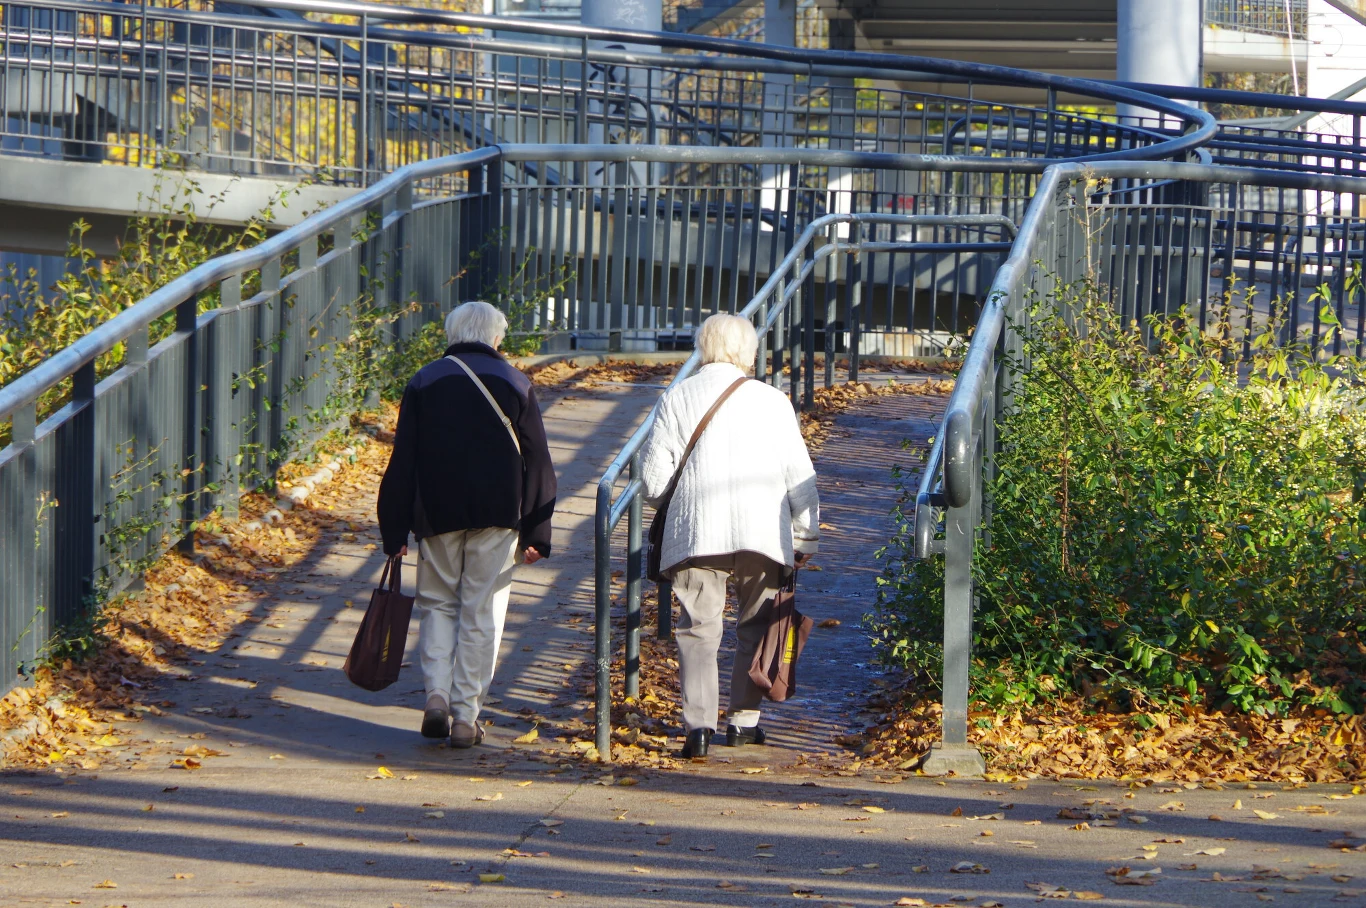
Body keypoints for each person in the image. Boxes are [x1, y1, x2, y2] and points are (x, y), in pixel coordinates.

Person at [377, 301, 557, 749]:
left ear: (451, 334)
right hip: (498, 516)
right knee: (482, 609)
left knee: (437, 604)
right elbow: (538, 461)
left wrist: (394, 528)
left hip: (436, 513)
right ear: (496, 337)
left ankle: (436, 696)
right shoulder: (517, 383)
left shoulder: (425, 381)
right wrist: (538, 531)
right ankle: (465, 713)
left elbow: (404, 460)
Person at [640, 313, 819, 760]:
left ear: (704, 347)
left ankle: (698, 727)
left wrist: (674, 505)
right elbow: (800, 476)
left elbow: (653, 479)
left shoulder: (677, 397)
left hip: (696, 532)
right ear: (748, 353)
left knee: (698, 630)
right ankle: (743, 722)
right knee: (756, 625)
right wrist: (805, 535)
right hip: (762, 531)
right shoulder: (773, 400)